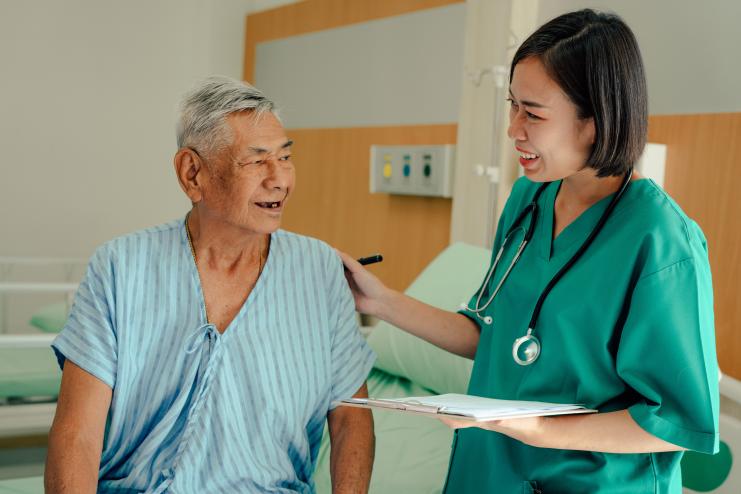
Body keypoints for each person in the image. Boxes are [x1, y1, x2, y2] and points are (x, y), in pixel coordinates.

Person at [340, 9, 718, 493]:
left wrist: (539, 430)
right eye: (512, 106)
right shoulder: (527, 200)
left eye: (533, 114)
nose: (513, 129)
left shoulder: (662, 241)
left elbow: (672, 421)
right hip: (491, 472)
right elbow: (494, 336)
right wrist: (379, 301)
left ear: (596, 120)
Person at [45, 76, 376, 493]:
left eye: (285, 157)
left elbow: (351, 415)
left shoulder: (319, 269)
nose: (279, 180)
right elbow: (78, 433)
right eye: (256, 161)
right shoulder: (120, 266)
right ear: (192, 173)